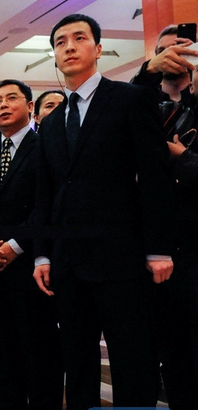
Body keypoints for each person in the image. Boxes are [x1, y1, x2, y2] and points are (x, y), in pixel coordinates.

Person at [32, 14, 175, 409]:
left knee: (132, 361)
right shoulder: (51, 123)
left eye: (79, 38)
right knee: (77, 363)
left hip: (121, 256)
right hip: (67, 263)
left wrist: (159, 248)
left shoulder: (129, 99)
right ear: (54, 55)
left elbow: (155, 176)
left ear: (98, 49)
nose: (69, 46)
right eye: (60, 42)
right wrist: (42, 254)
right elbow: (46, 194)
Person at [0, 79, 64, 410]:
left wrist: (15, 245)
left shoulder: (47, 148)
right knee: (1, 350)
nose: (3, 105)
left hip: (34, 265)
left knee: (40, 350)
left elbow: (47, 205)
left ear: (30, 106)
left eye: (11, 98)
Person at [131, 26, 198, 408]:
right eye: (165, 50)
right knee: (168, 350)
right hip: (152, 244)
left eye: (183, 48)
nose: (174, 54)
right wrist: (147, 74)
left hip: (194, 241)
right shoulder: (140, 103)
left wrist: (181, 158)